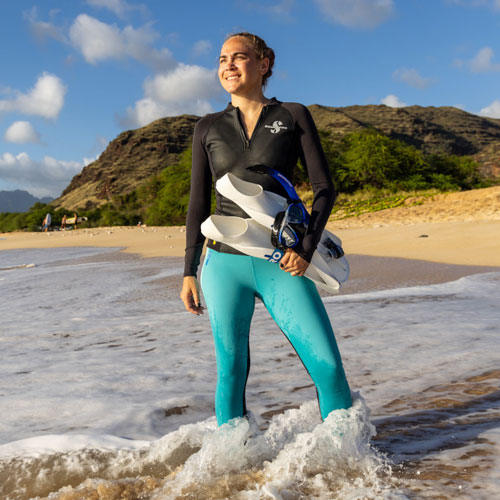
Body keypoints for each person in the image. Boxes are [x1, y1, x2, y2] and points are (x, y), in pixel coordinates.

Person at [180, 32, 352, 426]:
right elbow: (197, 204)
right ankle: (234, 467)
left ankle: (350, 462)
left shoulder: (292, 115)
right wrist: (189, 271)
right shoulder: (207, 127)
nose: (228, 65)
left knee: (326, 365)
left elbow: (325, 188)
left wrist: (306, 249)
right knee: (231, 373)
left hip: (281, 259)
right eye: (222, 59)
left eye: (238, 57)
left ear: (264, 63)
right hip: (223, 264)